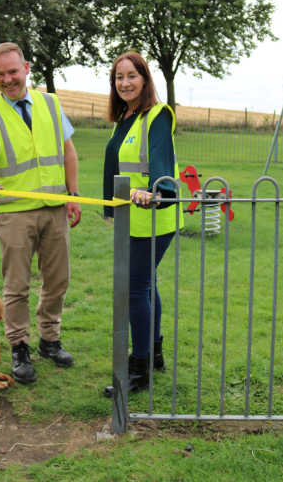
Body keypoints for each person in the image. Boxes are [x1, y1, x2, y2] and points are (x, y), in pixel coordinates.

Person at [0, 42, 82, 383]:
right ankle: (19, 347)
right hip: (15, 214)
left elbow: (68, 151)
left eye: (13, 71)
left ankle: (50, 340)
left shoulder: (50, 103)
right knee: (16, 286)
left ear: (27, 68)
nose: (7, 79)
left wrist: (73, 194)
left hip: (55, 210)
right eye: (0, 74)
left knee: (57, 281)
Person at [101, 52, 184, 397]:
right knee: (146, 286)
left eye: (131, 76)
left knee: (134, 289)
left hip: (154, 216)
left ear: (145, 79)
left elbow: (161, 158)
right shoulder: (126, 118)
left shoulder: (157, 115)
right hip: (132, 218)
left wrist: (158, 190)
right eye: (118, 77)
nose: (124, 83)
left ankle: (139, 367)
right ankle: (156, 356)